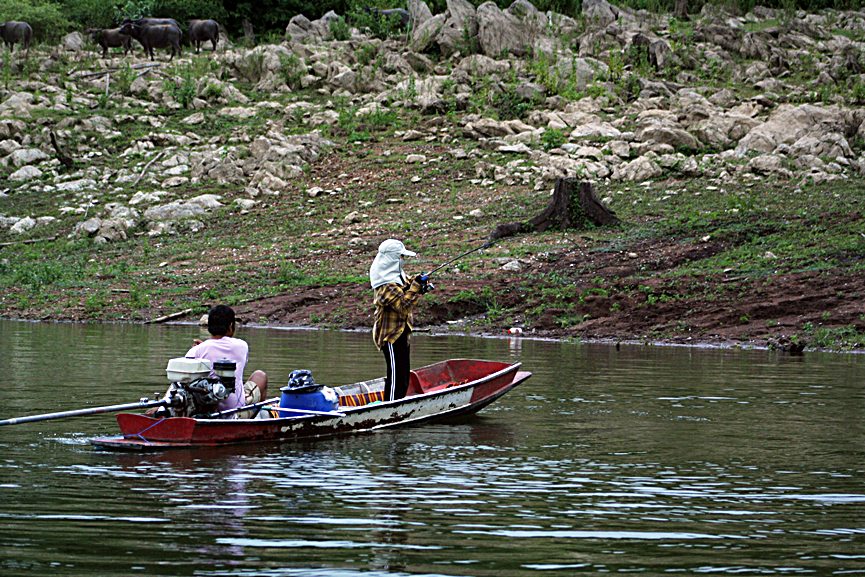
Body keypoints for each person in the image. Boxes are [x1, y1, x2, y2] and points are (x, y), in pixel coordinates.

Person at [369, 239, 432, 401]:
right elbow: (403, 305)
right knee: (396, 375)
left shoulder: (397, 275)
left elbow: (407, 287)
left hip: (402, 331)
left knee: (404, 373)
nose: (403, 260)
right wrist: (416, 289)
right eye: (401, 257)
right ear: (393, 258)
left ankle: (399, 404)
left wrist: (417, 282)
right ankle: (390, 407)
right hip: (390, 334)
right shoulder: (385, 284)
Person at [186, 304, 268, 418]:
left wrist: (198, 348)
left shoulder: (195, 351)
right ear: (230, 326)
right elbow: (219, 347)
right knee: (260, 376)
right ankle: (257, 418)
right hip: (235, 412)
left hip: (203, 409)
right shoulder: (242, 346)